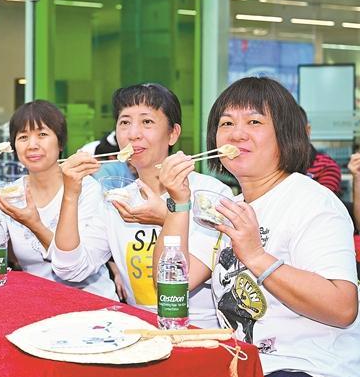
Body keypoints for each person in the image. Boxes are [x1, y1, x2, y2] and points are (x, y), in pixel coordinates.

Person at [155, 76, 360, 377]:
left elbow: (341, 307)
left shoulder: (312, 201)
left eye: (254, 122)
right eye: (226, 123)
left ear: (285, 135)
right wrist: (178, 203)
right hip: (250, 375)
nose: (236, 134)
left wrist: (257, 256)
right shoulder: (227, 207)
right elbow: (173, 286)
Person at [51, 84, 232, 328]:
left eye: (147, 122)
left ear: (173, 134)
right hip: (138, 330)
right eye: (125, 122)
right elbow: (70, 268)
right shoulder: (117, 199)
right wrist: (71, 194)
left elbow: (178, 285)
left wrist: (169, 215)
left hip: (198, 331)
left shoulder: (210, 194)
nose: (133, 134)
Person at [0, 101, 116, 299]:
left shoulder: (85, 189)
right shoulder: (9, 194)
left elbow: (78, 270)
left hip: (91, 302)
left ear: (60, 143)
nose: (32, 145)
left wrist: (35, 225)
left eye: (42, 134)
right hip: (37, 302)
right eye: (23, 137)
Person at [299, 105, 341, 195]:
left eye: (294, 130)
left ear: (307, 130)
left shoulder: (326, 166)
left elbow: (323, 200)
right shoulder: (272, 164)